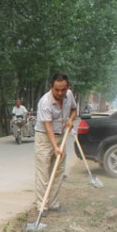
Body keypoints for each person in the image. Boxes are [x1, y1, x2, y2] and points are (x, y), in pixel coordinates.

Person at [33, 73, 77, 215]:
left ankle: (53, 203)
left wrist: (71, 119)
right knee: (43, 172)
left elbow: (74, 110)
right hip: (44, 138)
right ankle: (42, 206)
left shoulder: (69, 95)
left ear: (67, 87)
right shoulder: (44, 102)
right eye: (57, 89)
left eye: (63, 89)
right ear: (51, 87)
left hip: (61, 135)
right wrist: (56, 147)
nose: (60, 93)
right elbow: (48, 126)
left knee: (58, 171)